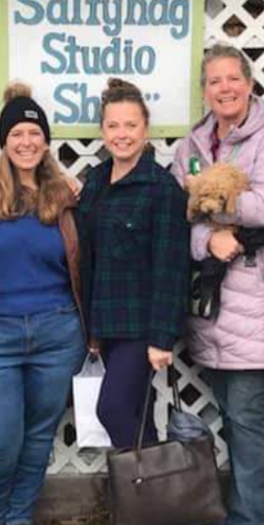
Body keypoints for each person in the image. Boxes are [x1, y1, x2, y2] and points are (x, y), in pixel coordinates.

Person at [172, 44, 264, 525]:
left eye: (233, 78)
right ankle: (236, 516)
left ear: (249, 84)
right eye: (214, 81)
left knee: (248, 421)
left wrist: (206, 203)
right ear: (204, 91)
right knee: (230, 416)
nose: (224, 88)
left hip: (253, 303)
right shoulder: (192, 144)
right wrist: (209, 238)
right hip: (210, 306)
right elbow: (179, 217)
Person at [0, 83, 86, 525]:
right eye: (17, 134)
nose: (27, 142)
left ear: (46, 141)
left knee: (37, 433)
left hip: (57, 329)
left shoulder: (66, 195)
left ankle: (19, 515)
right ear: (4, 141)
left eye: (35, 133)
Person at [77, 78, 191, 449]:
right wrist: (92, 329)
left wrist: (161, 338)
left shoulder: (162, 189)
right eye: (113, 125)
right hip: (105, 324)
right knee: (137, 413)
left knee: (113, 409)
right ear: (102, 131)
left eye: (130, 125)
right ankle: (151, 485)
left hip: (140, 326)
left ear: (146, 130)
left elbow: (171, 269)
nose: (121, 134)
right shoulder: (95, 181)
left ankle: (151, 483)